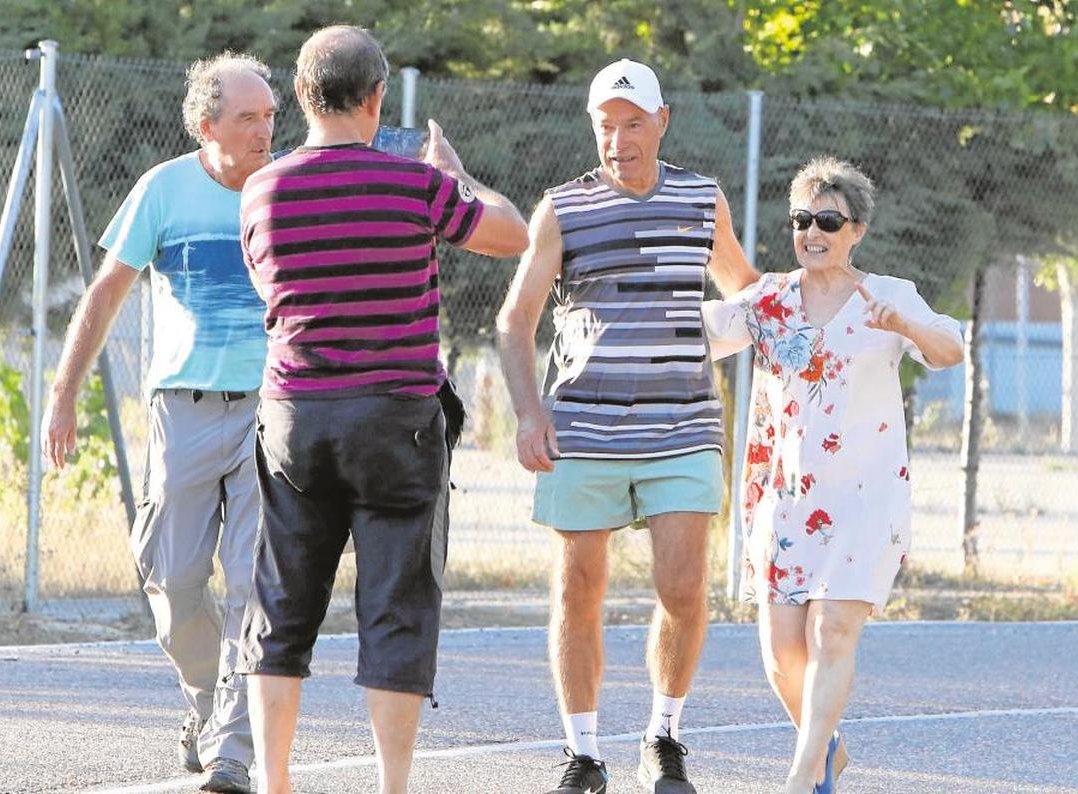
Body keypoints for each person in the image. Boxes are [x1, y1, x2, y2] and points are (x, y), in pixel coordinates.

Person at [236, 25, 528, 794]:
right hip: (397, 417)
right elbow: (512, 235)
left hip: (296, 418)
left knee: (281, 603)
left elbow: (271, 291)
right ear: (376, 98)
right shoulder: (415, 186)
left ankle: (274, 781)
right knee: (397, 604)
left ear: (301, 97)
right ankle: (392, 785)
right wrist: (459, 177)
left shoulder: (262, 189)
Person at [495, 58, 758, 794]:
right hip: (583, 428)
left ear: (662, 121)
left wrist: (805, 309)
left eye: (633, 123)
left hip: (683, 426)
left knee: (682, 589)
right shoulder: (562, 208)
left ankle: (663, 737)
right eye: (606, 126)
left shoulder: (701, 200)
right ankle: (582, 753)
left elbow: (746, 290)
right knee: (578, 586)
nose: (619, 140)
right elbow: (515, 321)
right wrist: (528, 411)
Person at [40, 53, 277, 793]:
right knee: (172, 584)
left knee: (250, 585)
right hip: (183, 410)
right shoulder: (163, 190)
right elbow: (107, 291)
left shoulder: (287, 186)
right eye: (250, 118)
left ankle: (232, 751)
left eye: (272, 115)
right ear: (209, 126)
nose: (268, 129)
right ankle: (207, 705)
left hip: (276, 413)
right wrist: (64, 391)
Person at [703, 156, 964, 793]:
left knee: (834, 628)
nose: (812, 232)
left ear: (857, 231)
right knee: (778, 656)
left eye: (827, 220)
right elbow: (698, 335)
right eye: (802, 219)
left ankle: (800, 779)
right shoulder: (768, 300)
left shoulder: (889, 295)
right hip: (784, 499)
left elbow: (950, 350)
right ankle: (826, 749)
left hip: (866, 498)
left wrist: (905, 327)